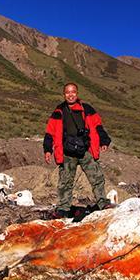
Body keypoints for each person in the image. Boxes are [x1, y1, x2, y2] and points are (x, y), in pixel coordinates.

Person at [43, 83, 114, 218]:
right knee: (65, 181)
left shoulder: (86, 109)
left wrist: (104, 141)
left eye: (73, 92)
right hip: (67, 152)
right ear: (64, 95)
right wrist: (47, 150)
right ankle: (63, 209)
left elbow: (98, 125)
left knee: (96, 176)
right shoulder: (59, 111)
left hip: (85, 149)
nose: (70, 95)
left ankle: (102, 203)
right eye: (68, 92)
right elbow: (50, 133)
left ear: (77, 93)